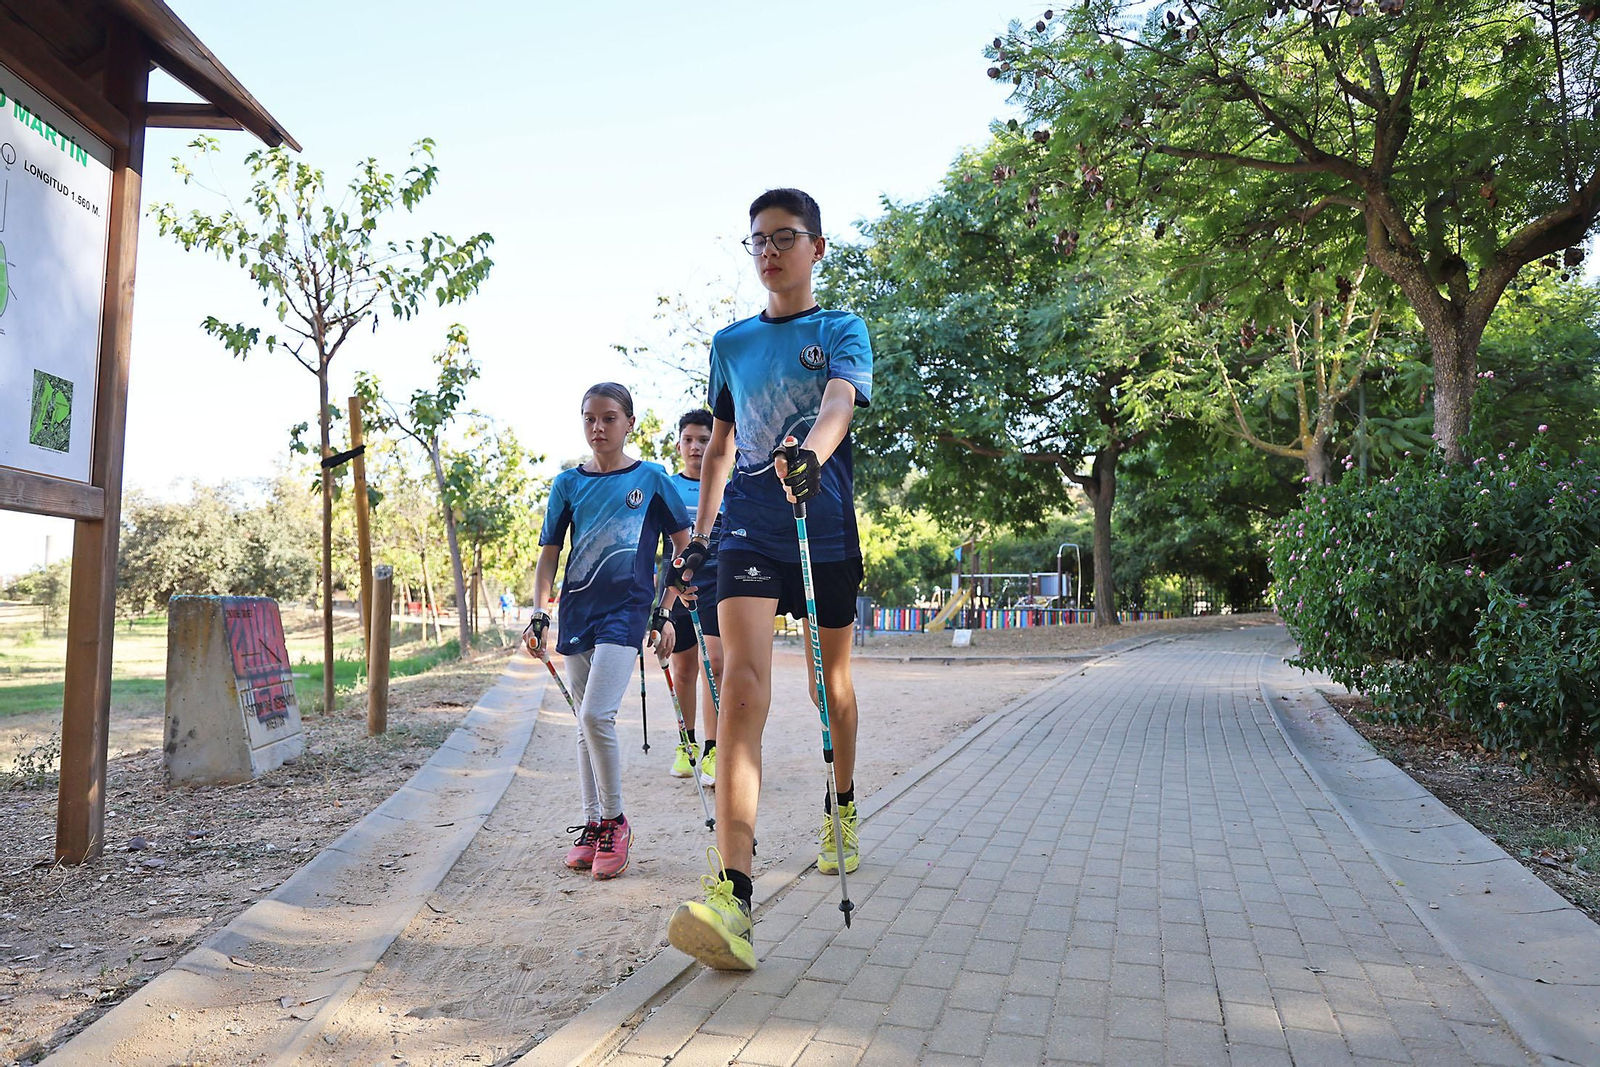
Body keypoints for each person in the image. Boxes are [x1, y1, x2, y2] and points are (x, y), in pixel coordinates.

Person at [664, 188, 872, 970]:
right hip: (748, 524)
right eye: (757, 241)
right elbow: (718, 449)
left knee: (831, 691)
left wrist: (811, 454)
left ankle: (842, 804)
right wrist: (703, 536)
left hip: (821, 525)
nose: (770, 251)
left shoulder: (840, 329)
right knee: (742, 686)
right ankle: (734, 897)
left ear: (817, 248)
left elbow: (839, 402)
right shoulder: (731, 344)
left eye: (786, 237)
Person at [526, 382, 690, 880]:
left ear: (630, 423)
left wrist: (665, 611)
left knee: (596, 716)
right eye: (590, 418)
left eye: (610, 418)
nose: (599, 427)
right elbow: (550, 554)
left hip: (627, 613)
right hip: (577, 613)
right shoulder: (567, 484)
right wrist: (539, 613)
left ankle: (617, 822)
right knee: (583, 723)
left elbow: (684, 549)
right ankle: (592, 822)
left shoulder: (653, 479)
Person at [664, 409, 727, 787]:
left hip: (717, 585)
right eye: (688, 439)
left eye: (704, 440)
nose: (696, 447)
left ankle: (713, 749)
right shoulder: (668, 486)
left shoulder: (727, 484)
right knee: (683, 668)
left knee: (715, 664)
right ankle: (685, 746)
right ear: (678, 445)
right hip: (676, 585)